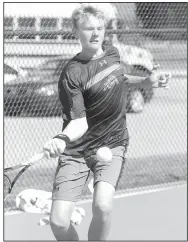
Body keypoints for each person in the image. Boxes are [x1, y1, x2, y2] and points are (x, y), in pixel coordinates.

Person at [43, 4, 170, 241]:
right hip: (76, 151)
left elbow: (119, 78)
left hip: (112, 143)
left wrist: (147, 81)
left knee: (103, 206)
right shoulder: (71, 74)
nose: (96, 34)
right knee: (59, 223)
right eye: (88, 29)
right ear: (75, 32)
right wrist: (60, 139)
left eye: (100, 28)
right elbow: (79, 123)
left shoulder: (112, 53)